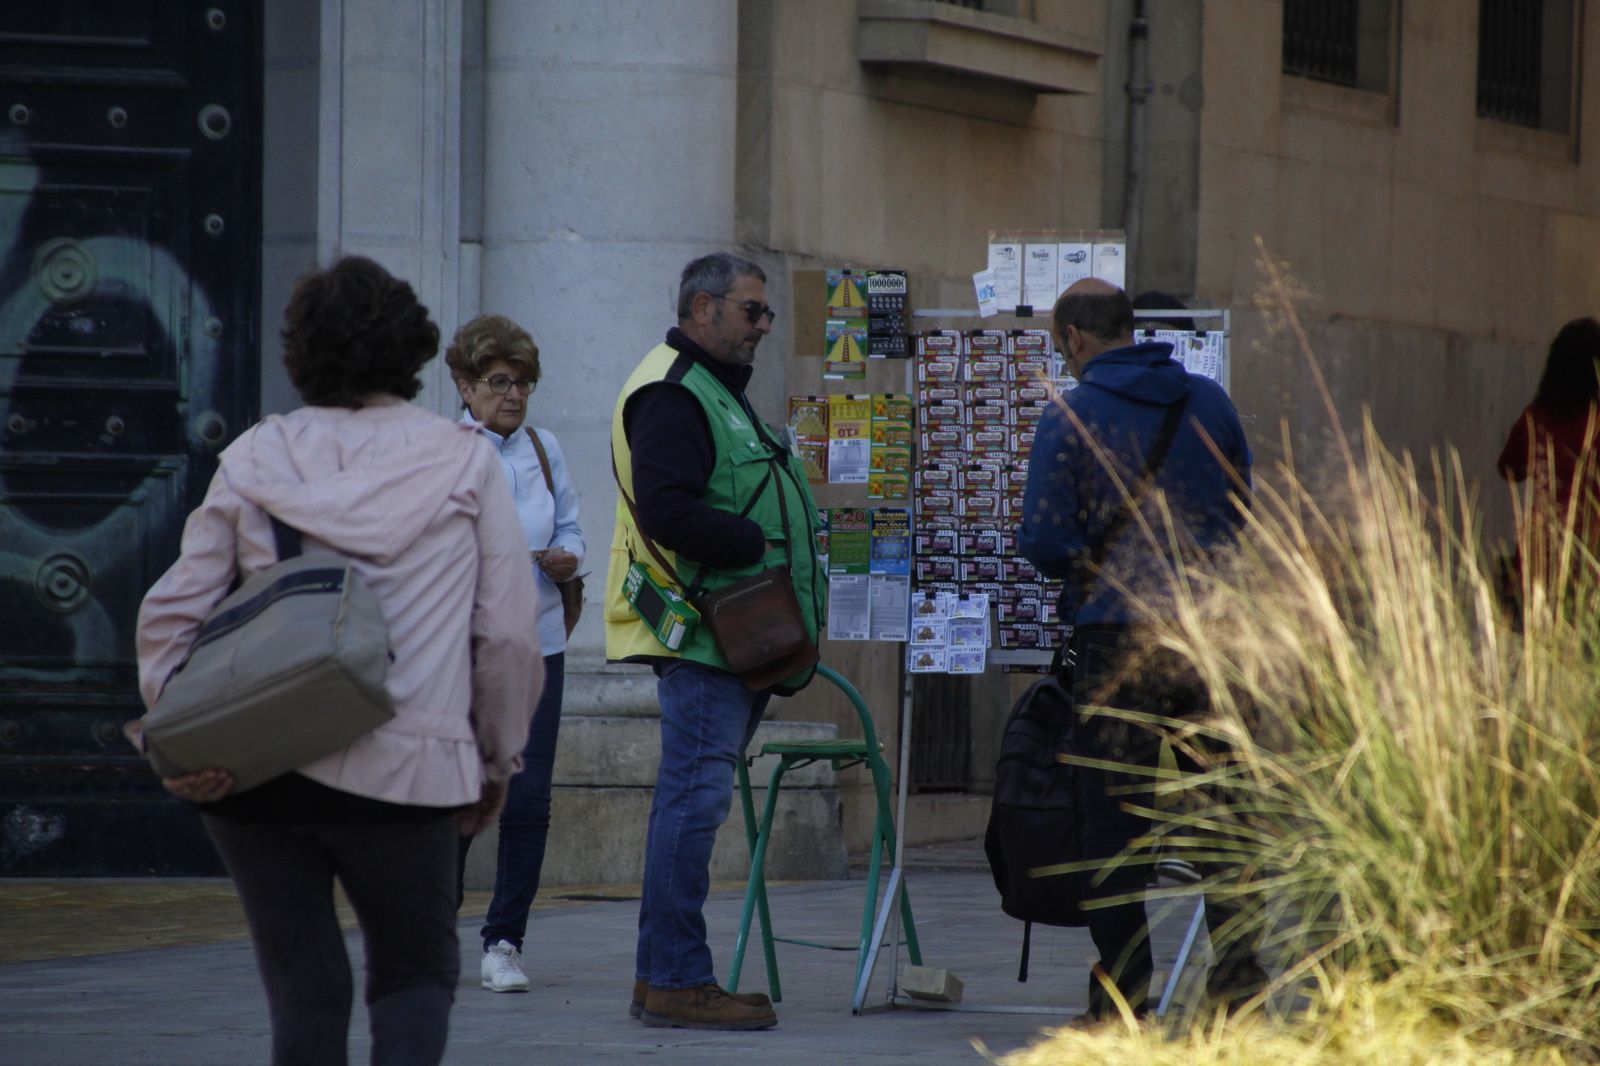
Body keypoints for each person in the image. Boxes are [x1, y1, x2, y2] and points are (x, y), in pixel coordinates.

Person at [134, 256, 542, 1065]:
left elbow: (171, 614)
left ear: (300, 354)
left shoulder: (255, 458)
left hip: (260, 769)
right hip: (412, 766)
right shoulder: (464, 465)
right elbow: (506, 637)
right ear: (417, 352)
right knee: (415, 975)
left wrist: (178, 743)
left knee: (303, 991)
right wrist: (495, 762)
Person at [1019, 278, 1259, 1022]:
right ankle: (1240, 984)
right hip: (1208, 635)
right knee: (1224, 811)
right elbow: (1243, 507)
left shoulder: (1070, 414)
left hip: (1115, 639)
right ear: (1132, 328)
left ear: (1074, 340)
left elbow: (1043, 541)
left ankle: (1124, 998)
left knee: (1112, 822)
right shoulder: (1210, 402)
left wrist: (1089, 567)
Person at [605, 251, 826, 1031]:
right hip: (708, 635)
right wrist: (749, 545)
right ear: (704, 308)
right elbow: (668, 509)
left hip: (736, 638)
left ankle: (658, 976)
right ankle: (674, 978)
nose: (763, 326)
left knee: (691, 802)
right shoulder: (674, 393)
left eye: (765, 314)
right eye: (752, 311)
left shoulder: (711, 390)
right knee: (692, 806)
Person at [446, 313, 586, 993]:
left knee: (528, 801)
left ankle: (504, 942)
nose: (513, 395)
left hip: (541, 647)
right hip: (464, 654)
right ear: (465, 386)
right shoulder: (444, 451)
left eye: (523, 383)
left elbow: (573, 529)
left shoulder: (543, 448)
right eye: (499, 382)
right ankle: (427, 928)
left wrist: (565, 560)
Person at [1497, 316, 1600, 534]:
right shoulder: (1595, 420)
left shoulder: (1536, 418)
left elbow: (1508, 468)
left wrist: (1541, 467)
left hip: (1544, 535)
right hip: (1591, 538)